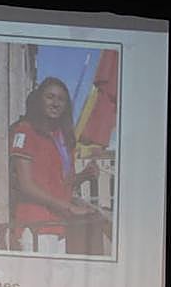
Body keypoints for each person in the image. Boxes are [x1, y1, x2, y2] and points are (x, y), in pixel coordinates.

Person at [9, 77, 102, 254]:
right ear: (39, 100)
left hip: (59, 227)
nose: (55, 103)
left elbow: (59, 185)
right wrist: (68, 207)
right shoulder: (25, 130)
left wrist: (84, 175)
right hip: (35, 226)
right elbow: (26, 185)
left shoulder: (61, 137)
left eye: (61, 99)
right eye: (50, 97)